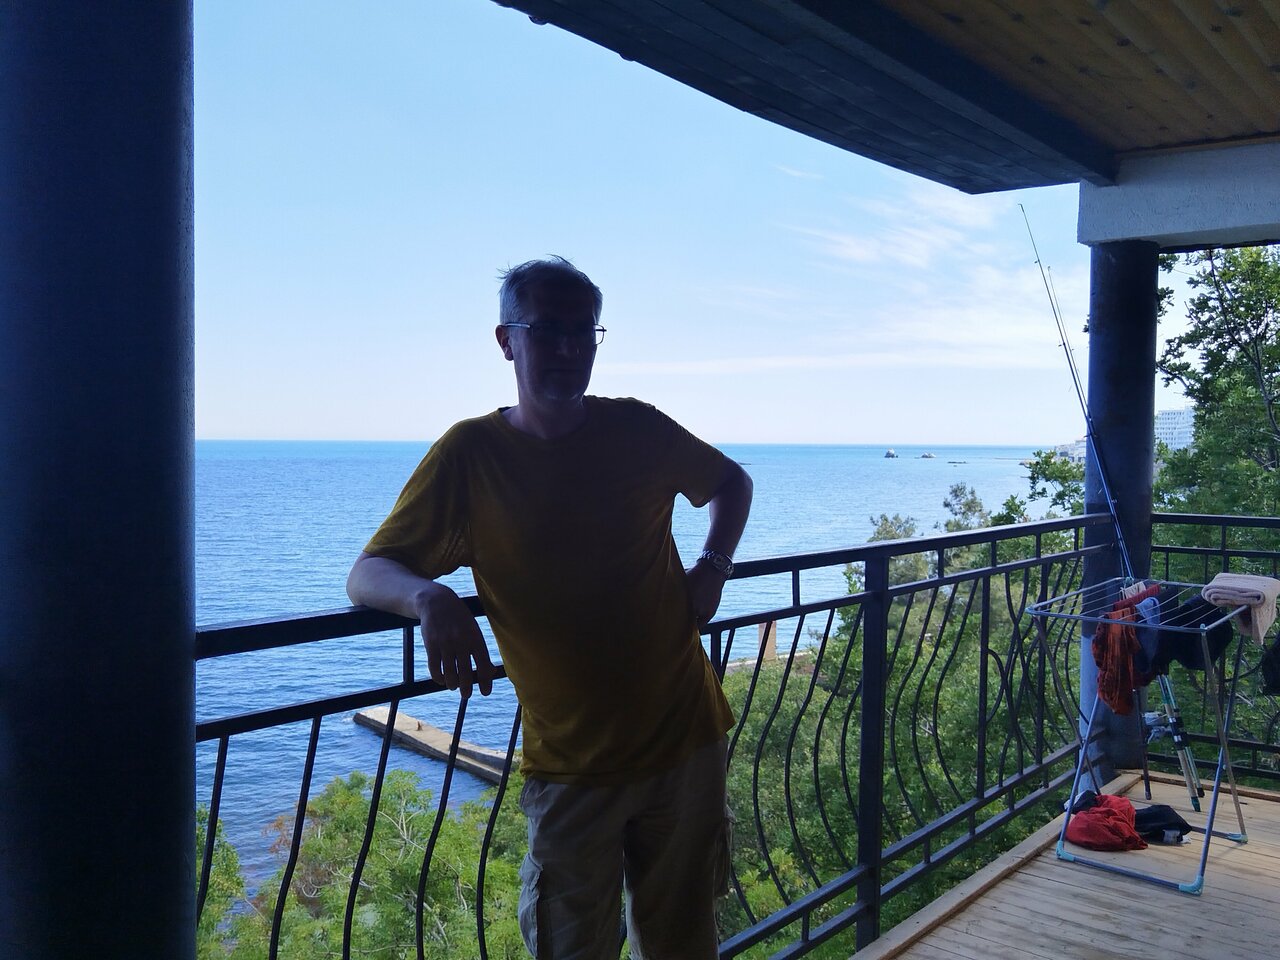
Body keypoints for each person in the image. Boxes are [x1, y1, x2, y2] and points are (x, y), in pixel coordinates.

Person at [346, 256, 753, 959]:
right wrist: (429, 595)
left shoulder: (638, 429)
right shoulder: (472, 454)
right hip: (571, 768)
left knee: (684, 946)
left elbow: (730, 483)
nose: (567, 347)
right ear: (506, 340)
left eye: (582, 331)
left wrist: (712, 568)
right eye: (547, 330)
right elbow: (367, 572)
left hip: (686, 742)